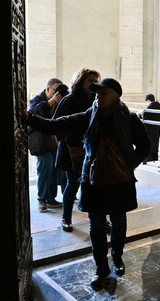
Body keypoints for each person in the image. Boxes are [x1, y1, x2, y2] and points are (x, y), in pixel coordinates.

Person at [22, 78, 150, 291]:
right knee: (96, 225)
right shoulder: (89, 116)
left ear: (116, 96)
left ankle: (117, 257)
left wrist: (129, 166)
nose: (97, 96)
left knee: (118, 221)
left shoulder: (128, 118)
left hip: (120, 181)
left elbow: (145, 145)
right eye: (96, 93)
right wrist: (30, 118)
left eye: (103, 92)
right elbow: (57, 124)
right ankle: (101, 268)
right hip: (93, 179)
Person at [52, 68, 101, 232]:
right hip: (71, 148)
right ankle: (66, 218)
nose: (93, 85)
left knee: (94, 184)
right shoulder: (70, 99)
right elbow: (55, 123)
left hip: (90, 149)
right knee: (73, 184)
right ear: (81, 82)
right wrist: (66, 140)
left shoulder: (96, 99)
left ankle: (98, 217)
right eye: (90, 82)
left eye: (95, 81)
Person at [28, 78, 64, 212]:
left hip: (54, 142)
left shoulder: (61, 102)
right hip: (42, 143)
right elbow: (32, 114)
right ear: (48, 89)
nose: (58, 94)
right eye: (55, 91)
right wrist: (51, 102)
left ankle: (51, 198)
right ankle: (42, 199)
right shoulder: (36, 100)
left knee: (54, 170)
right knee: (45, 169)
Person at [141, 94, 160, 163]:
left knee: (149, 142)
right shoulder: (159, 107)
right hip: (157, 128)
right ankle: (154, 156)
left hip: (150, 129)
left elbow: (144, 115)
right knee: (155, 142)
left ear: (148, 100)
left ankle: (148, 158)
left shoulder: (150, 107)